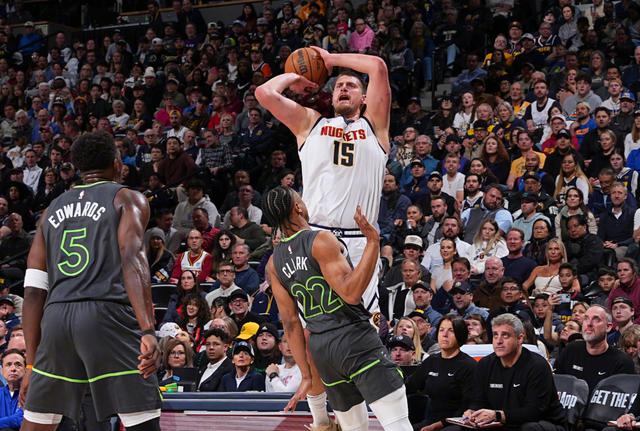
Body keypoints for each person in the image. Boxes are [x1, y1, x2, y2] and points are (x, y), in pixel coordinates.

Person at [20, 131, 161, 430]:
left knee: (39, 423)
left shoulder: (50, 210)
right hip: (107, 314)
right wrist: (148, 329)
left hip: (56, 318)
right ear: (117, 164)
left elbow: (32, 290)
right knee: (141, 420)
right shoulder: (126, 198)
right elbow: (132, 258)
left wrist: (31, 363)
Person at [256, 46, 391, 317]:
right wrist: (294, 78)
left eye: (351, 85)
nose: (344, 88)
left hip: (359, 240)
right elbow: (264, 93)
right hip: (315, 238)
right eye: (339, 85)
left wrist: (330, 60)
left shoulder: (375, 126)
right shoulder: (310, 123)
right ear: (331, 96)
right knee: (316, 325)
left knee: (365, 325)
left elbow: (377, 66)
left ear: (364, 98)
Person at [264, 186, 412, 430]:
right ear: (298, 207)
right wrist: (372, 242)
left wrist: (307, 376)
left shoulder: (273, 263)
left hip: (323, 352)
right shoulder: (320, 240)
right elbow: (351, 293)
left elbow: (290, 324)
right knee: (398, 424)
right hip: (353, 338)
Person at [450, 313, 566, 431]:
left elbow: (534, 411)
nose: (499, 341)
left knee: (529, 428)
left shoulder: (537, 366)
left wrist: (497, 415)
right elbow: (478, 400)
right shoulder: (485, 364)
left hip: (543, 423)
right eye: (495, 335)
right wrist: (473, 412)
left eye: (505, 335)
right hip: (501, 422)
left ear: (520, 338)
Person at [406, 316, 476, 431]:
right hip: (430, 420)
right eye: (441, 330)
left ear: (460, 335)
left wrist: (438, 425)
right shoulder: (431, 361)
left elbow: (467, 407)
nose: (444, 334)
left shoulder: (469, 366)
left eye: (451, 331)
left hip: (456, 423)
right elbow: (410, 386)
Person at [554, 305, 634, 394]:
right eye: (586, 318)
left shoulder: (622, 362)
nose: (589, 324)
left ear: (608, 327)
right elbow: (556, 386)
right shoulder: (570, 350)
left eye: (596, 319)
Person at [0, 349, 25, 429]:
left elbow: (20, 420)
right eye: (8, 365)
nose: (13, 368)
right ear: (2, 370)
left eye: (18, 365)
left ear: (25, 370)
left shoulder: (31, 394)